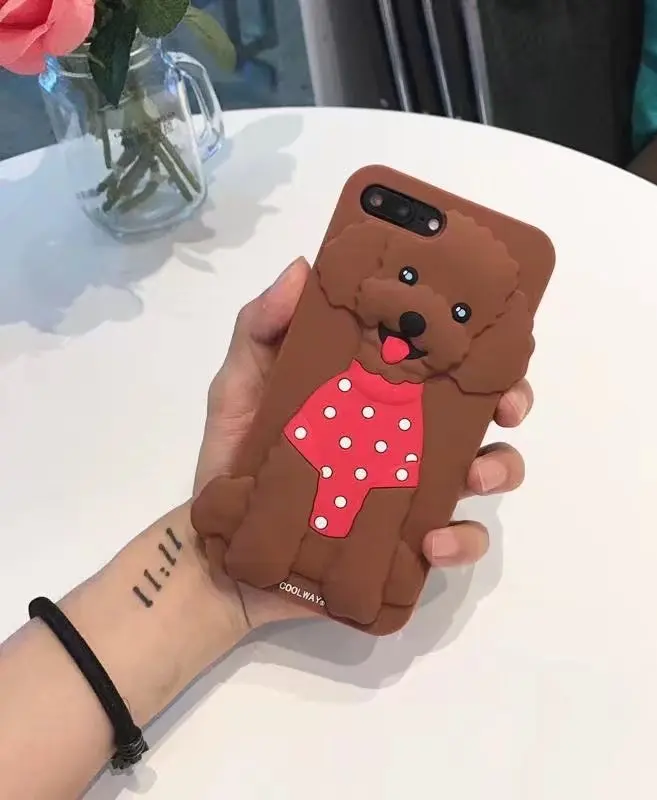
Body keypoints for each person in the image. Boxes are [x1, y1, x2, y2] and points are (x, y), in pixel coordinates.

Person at [0, 257, 533, 800]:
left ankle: (351, 566)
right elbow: (291, 468)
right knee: (290, 472)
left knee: (382, 516)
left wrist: (206, 585)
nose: (418, 316)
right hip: (277, 499)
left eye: (460, 314)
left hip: (355, 507)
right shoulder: (331, 392)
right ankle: (267, 537)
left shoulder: (411, 425)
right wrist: (211, 567)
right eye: (408, 279)